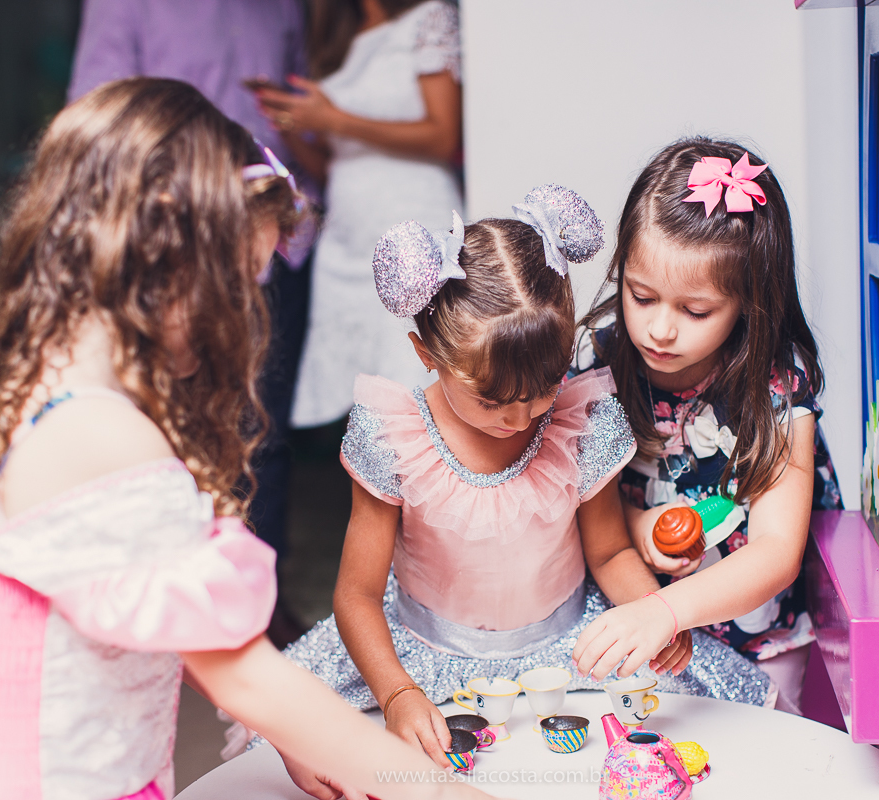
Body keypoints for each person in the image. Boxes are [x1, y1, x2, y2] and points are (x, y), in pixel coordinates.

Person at [0, 78, 494, 800]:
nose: (245, 315)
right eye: (240, 282)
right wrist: (432, 790)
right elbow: (240, 668)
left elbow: (152, 609)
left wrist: (291, 734)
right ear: (166, 256)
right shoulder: (97, 430)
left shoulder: (50, 387)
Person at [281, 184, 772, 770]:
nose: (522, 418)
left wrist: (650, 613)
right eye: (493, 402)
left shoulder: (577, 423)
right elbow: (356, 594)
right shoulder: (394, 438)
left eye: (544, 390)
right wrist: (398, 693)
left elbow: (611, 551)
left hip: (563, 647)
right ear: (426, 354)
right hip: (419, 656)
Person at [570, 138, 843, 716]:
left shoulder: (777, 380)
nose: (660, 331)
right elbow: (581, 513)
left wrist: (666, 612)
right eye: (641, 296)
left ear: (748, 301)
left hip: (759, 637)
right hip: (636, 621)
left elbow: (775, 548)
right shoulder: (596, 363)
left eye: (695, 312)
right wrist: (640, 534)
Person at [68, 2, 319, 632]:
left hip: (265, 229)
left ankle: (251, 592)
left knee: (261, 428)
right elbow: (98, 120)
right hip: (188, 242)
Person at [252, 0, 463, 428]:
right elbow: (334, 165)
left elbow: (443, 135)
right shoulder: (337, 38)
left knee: (416, 381)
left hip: (412, 221)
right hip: (348, 234)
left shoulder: (429, 17)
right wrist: (292, 128)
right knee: (364, 404)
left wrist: (334, 118)